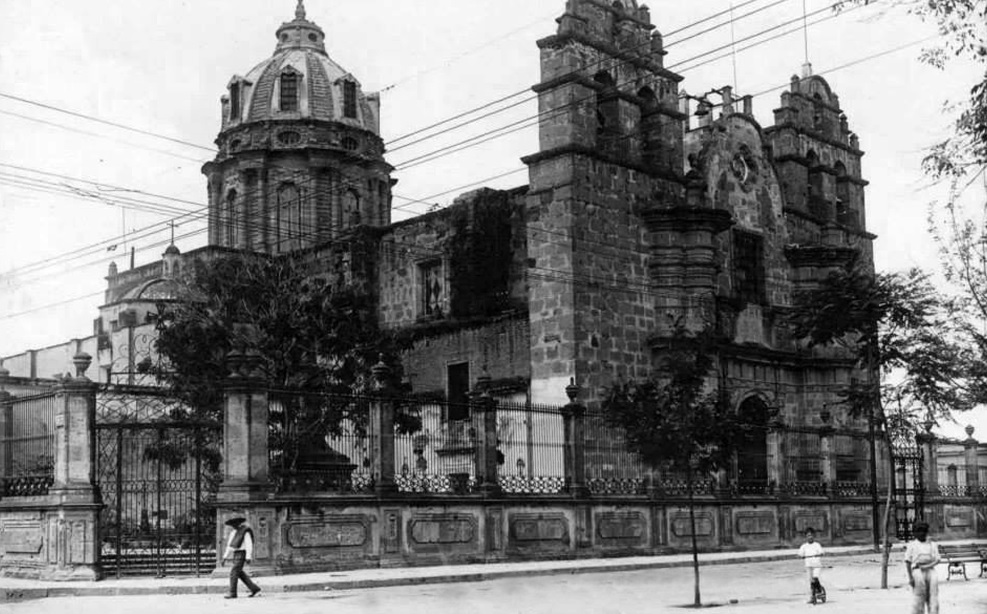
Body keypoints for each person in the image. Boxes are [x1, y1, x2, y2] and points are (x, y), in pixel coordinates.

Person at [905, 521, 941, 614]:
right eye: (919, 531)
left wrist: (926, 566)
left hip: (931, 572)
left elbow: (937, 559)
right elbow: (908, 561)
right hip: (917, 572)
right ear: (915, 533)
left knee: (933, 596)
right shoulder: (912, 545)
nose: (922, 533)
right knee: (919, 596)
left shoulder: (932, 544)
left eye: (924, 531)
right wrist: (910, 578)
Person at [223, 516, 261, 599]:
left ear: (239, 523)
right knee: (239, 573)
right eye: (232, 524)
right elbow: (230, 546)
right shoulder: (233, 533)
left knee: (234, 572)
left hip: (242, 553)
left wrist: (248, 556)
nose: (234, 525)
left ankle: (232, 593)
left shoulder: (245, 531)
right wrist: (225, 557)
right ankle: (254, 588)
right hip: (236, 554)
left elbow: (249, 544)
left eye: (235, 523)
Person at [797, 527, 825, 604]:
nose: (810, 537)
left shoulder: (817, 545)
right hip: (808, 565)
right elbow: (800, 553)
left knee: (815, 578)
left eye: (811, 535)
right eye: (808, 535)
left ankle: (819, 590)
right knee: (811, 582)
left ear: (814, 536)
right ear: (806, 537)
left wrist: (820, 553)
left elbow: (821, 551)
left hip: (816, 565)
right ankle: (811, 597)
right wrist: (801, 556)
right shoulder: (804, 546)